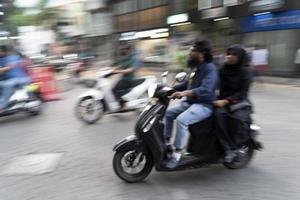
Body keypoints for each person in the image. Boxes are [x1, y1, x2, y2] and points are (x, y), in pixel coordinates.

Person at [164, 39, 219, 169]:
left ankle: (177, 154)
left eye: (193, 50)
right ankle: (166, 143)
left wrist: (184, 94)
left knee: (182, 120)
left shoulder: (210, 68)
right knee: (169, 113)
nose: (190, 52)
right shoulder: (196, 67)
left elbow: (205, 90)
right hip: (191, 103)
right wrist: (170, 89)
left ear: (202, 53)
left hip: (204, 105)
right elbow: (187, 84)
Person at [213, 45, 253, 163]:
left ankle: (230, 149)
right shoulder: (224, 68)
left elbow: (242, 93)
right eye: (228, 54)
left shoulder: (246, 71)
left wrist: (225, 101)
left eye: (234, 54)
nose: (230, 57)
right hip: (223, 101)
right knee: (216, 116)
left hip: (238, 103)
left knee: (235, 120)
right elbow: (213, 81)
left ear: (240, 56)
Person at [0, 46, 31, 111]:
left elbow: (26, 62)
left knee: (7, 85)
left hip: (19, 79)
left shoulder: (14, 57)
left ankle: (2, 106)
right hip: (10, 80)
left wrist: (6, 68)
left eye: (1, 51)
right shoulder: (2, 59)